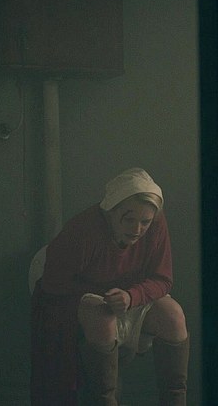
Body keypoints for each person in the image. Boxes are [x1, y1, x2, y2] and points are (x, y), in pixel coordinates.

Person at [30, 168, 189, 406]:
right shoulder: (83, 230)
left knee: (174, 316)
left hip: (130, 294)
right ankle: (105, 400)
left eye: (145, 222)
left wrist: (131, 296)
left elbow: (163, 278)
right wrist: (100, 299)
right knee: (103, 319)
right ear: (111, 211)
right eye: (129, 219)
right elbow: (53, 282)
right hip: (86, 296)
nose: (137, 229)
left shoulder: (155, 225)